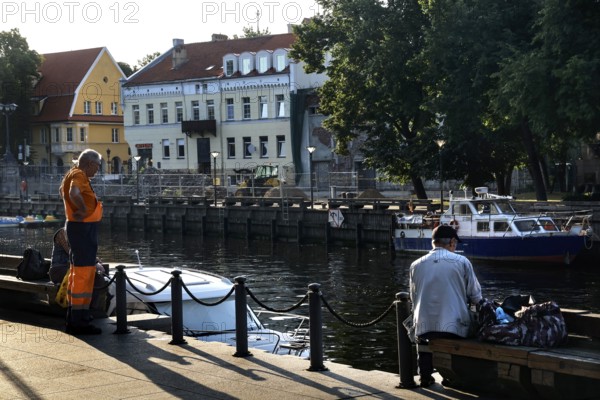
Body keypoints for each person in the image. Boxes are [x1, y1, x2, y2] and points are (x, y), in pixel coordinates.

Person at [409, 224, 482, 387]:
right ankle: (453, 376)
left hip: (424, 327)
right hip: (454, 328)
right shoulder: (462, 261)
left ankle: (425, 376)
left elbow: (414, 298)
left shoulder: (415, 265)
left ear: (433, 242)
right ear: (452, 242)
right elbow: (476, 296)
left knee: (422, 330)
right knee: (472, 327)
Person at [59, 149, 104, 335]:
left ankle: (76, 316)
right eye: (97, 166)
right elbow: (74, 192)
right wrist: (83, 209)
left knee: (78, 271)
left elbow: (63, 191)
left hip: (78, 228)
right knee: (84, 272)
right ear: (90, 164)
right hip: (82, 228)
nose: (98, 170)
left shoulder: (71, 173)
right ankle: (79, 321)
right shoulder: (78, 174)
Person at [49, 227, 108, 313]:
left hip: (73, 269)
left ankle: (93, 310)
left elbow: (85, 252)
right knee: (85, 279)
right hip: (58, 270)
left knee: (98, 279)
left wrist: (96, 261)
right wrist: (95, 262)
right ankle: (79, 312)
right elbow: (74, 252)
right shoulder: (63, 233)